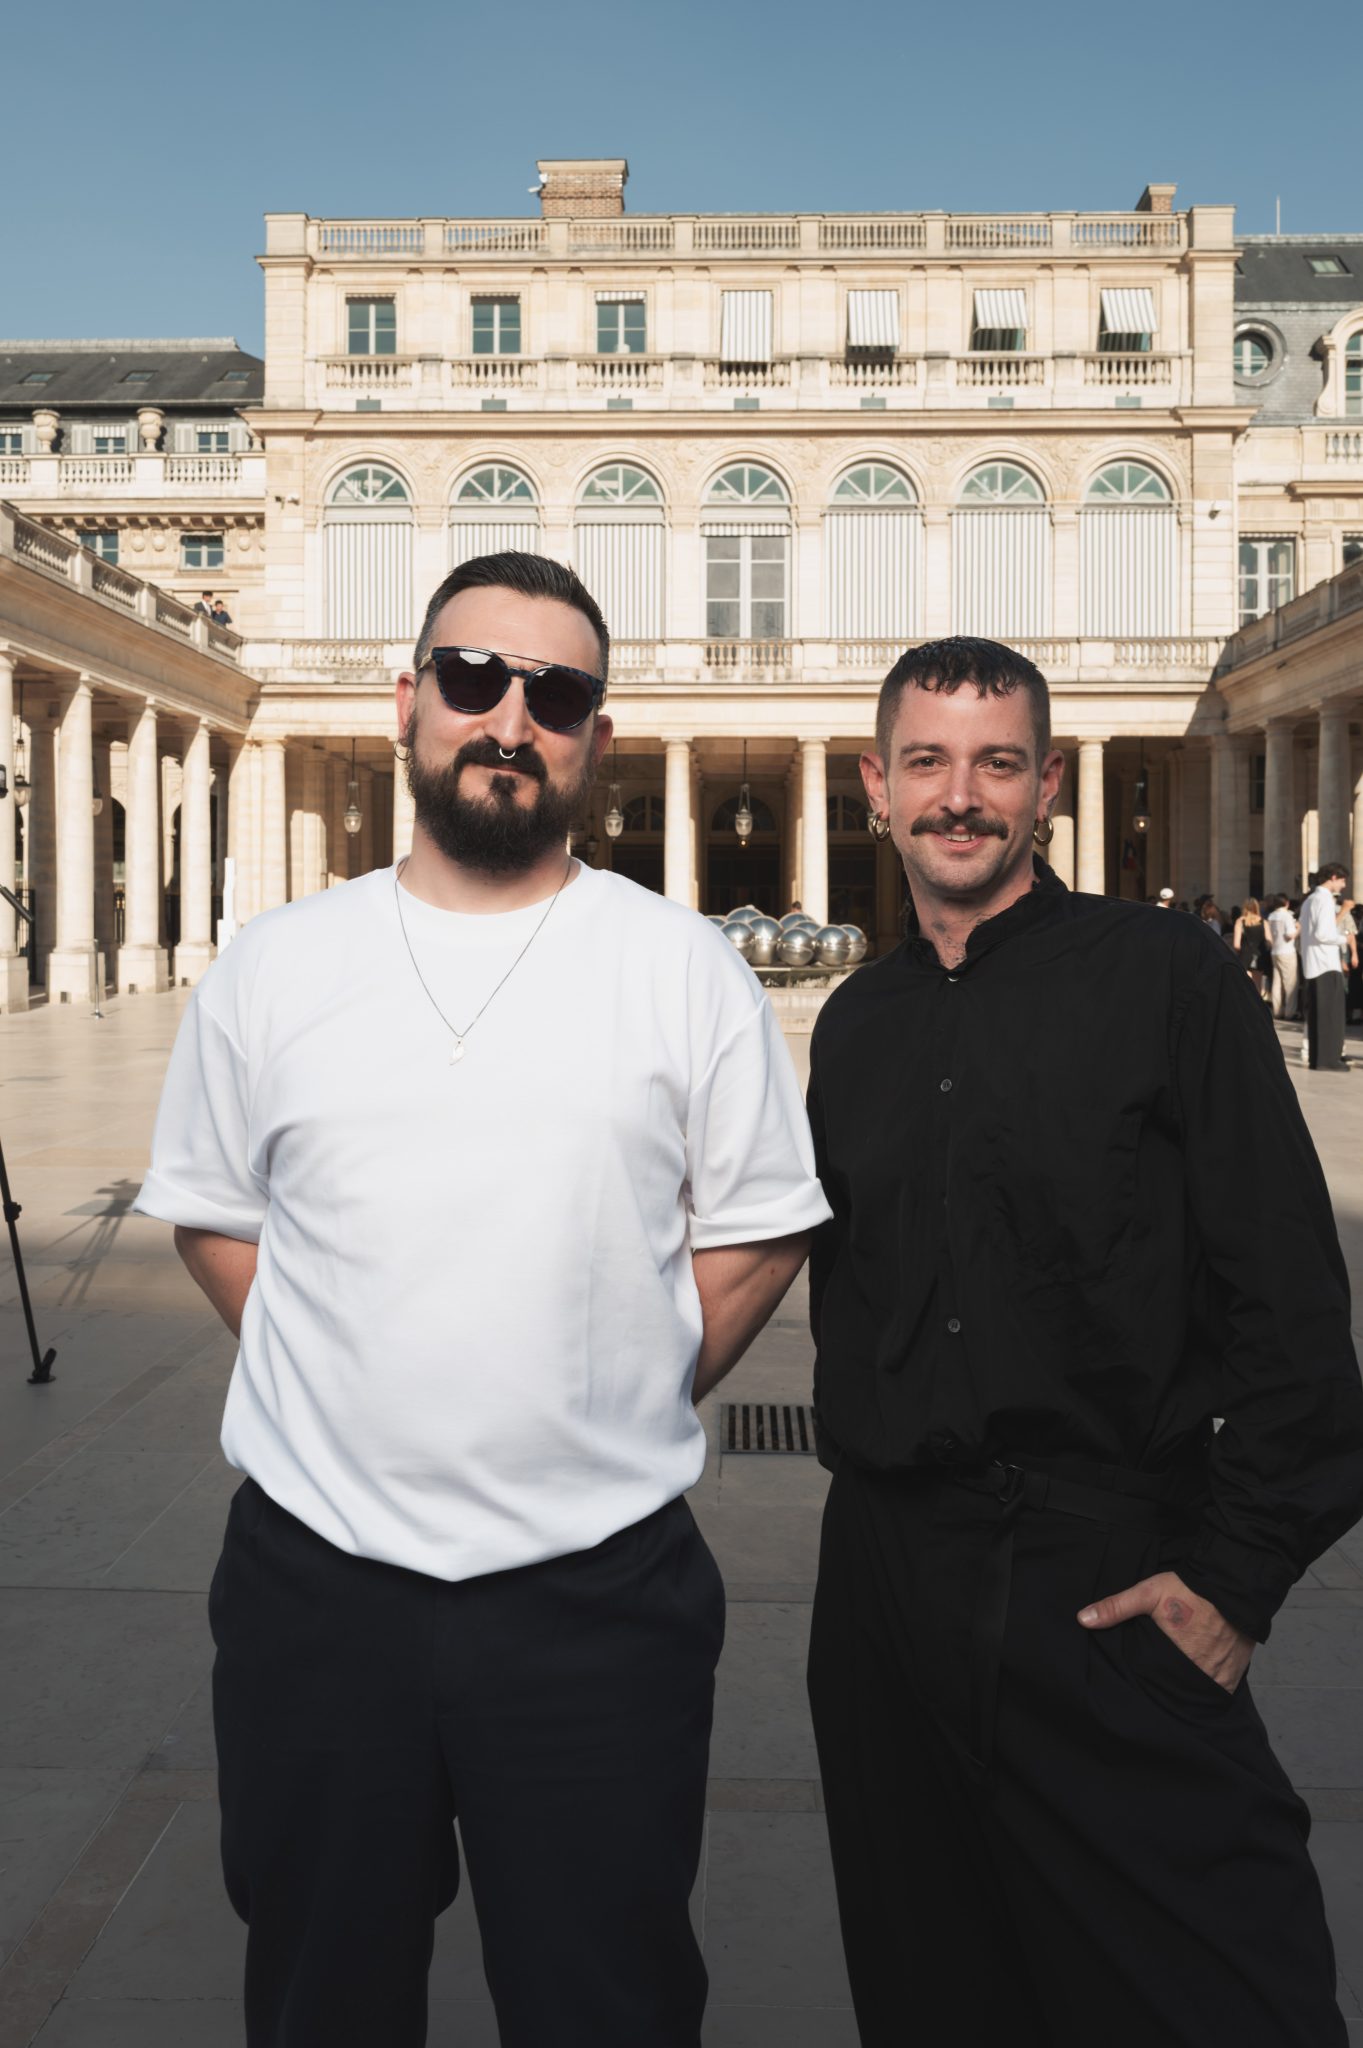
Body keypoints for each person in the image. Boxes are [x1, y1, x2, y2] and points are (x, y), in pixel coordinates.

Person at [134, 550, 831, 2048]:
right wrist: (345, 1373)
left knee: (607, 1999)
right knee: (322, 1994)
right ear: (408, 701)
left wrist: (627, 1382)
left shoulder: (679, 969)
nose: (509, 718)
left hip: (597, 1597)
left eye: (556, 692)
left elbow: (761, 1230)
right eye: (472, 678)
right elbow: (212, 1212)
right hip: (317, 1591)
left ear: (595, 737)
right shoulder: (276, 967)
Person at [805, 635, 1363, 2048]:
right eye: (925, 762)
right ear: (873, 784)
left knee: (1229, 2001)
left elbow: (1290, 1305)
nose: (958, 796)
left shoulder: (1162, 977)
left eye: (995, 763)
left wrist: (1235, 1576)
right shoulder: (854, 1026)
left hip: (1101, 1583)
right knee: (931, 1993)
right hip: (882, 1594)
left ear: (1046, 785)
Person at [1301, 862, 1351, 1071]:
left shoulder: (1310, 899)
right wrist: (1344, 938)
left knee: (1319, 1016)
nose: (1343, 885)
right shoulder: (1324, 899)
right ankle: (1330, 1059)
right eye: (1342, 880)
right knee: (1331, 1016)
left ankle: (1319, 1058)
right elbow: (1323, 933)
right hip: (1326, 964)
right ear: (1332, 877)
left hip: (1313, 963)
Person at [1266, 892, 1300, 1019]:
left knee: (1277, 982)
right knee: (1290, 983)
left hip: (1275, 950)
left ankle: (1277, 1010)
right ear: (1287, 903)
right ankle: (1290, 1012)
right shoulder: (1287, 916)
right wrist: (1299, 929)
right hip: (1287, 951)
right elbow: (1290, 935)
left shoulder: (1271, 915)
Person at [1232, 894, 1269, 996]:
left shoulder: (1240, 922)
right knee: (1258, 987)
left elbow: (1236, 944)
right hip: (1259, 955)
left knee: (1246, 986)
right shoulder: (1263, 922)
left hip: (1245, 956)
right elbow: (1269, 940)